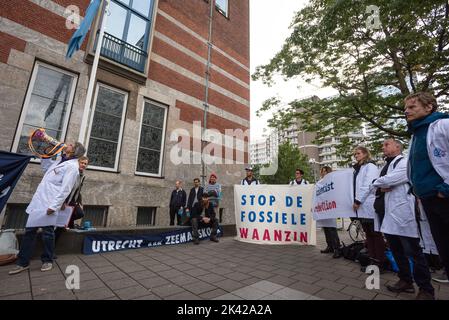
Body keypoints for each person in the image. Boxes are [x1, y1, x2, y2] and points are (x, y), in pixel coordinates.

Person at [372, 138, 435, 300]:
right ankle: (405, 280)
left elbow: (393, 179)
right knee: (396, 250)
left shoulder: (405, 161)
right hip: (389, 215)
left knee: (413, 251)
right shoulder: (386, 165)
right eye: (383, 145)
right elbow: (382, 185)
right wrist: (381, 185)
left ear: (398, 147)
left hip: (403, 214)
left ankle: (426, 289)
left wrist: (378, 183)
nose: (383, 147)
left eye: (387, 144)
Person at [9, 142, 85, 275]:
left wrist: (54, 206)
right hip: (39, 201)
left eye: (71, 144)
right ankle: (22, 262)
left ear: (74, 151)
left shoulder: (72, 167)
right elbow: (46, 170)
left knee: (48, 233)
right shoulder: (59, 160)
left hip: (49, 203)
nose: (67, 144)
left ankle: (47, 260)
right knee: (29, 232)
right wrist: (46, 155)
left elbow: (66, 189)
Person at [405, 91, 449, 284]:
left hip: (443, 197)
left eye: (412, 107)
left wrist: (445, 188)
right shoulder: (416, 134)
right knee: (444, 250)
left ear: (429, 106)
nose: (407, 111)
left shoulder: (442, 125)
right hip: (428, 198)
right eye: (405, 108)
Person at [352, 146, 387, 271]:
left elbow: (368, 185)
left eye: (358, 153)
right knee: (368, 235)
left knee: (375, 234)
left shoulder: (370, 167)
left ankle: (380, 262)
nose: (356, 155)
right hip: (363, 207)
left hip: (369, 205)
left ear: (366, 154)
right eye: (355, 154)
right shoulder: (359, 169)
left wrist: (358, 200)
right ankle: (373, 260)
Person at [54, 156, 89, 245]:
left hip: (72, 201)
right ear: (78, 163)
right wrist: (62, 201)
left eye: (85, 164)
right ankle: (51, 249)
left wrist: (80, 203)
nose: (83, 165)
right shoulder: (73, 172)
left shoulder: (82, 175)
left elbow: (78, 190)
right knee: (59, 227)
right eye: (82, 163)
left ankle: (68, 223)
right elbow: (65, 187)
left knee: (80, 213)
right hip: (65, 200)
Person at [317, 166, 342, 258]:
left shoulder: (333, 181)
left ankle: (337, 248)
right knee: (326, 228)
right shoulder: (319, 183)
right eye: (322, 171)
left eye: (325, 171)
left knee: (332, 228)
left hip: (330, 207)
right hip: (323, 208)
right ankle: (330, 246)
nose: (323, 173)